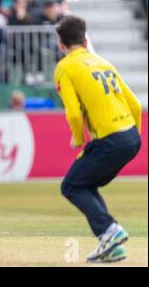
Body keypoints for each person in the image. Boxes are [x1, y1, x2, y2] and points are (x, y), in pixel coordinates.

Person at [54, 16, 142, 263]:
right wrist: (134, 136)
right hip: (131, 136)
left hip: (111, 139)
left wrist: (78, 138)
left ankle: (110, 230)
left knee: (70, 186)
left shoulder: (65, 67)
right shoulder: (104, 63)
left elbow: (73, 112)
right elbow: (134, 104)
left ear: (61, 45)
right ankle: (111, 246)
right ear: (84, 40)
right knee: (85, 184)